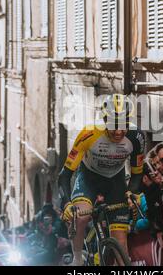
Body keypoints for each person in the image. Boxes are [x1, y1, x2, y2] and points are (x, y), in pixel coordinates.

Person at [58, 94, 145, 266]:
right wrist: (67, 204)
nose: (119, 132)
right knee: (80, 217)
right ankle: (77, 259)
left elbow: (137, 173)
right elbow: (65, 175)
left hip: (115, 181)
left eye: (123, 126)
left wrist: (132, 193)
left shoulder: (136, 137)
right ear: (105, 120)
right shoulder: (89, 133)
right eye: (113, 126)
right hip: (88, 178)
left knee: (121, 245)